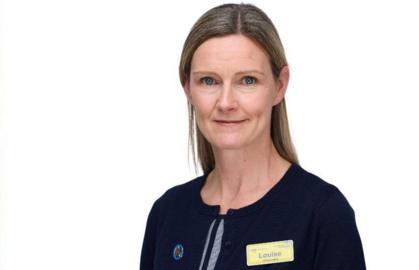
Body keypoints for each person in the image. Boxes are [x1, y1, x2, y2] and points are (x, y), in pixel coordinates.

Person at [140, 3, 366, 270]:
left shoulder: (322, 214)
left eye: (247, 80)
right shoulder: (167, 214)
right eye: (209, 81)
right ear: (187, 87)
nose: (226, 102)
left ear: (280, 85)